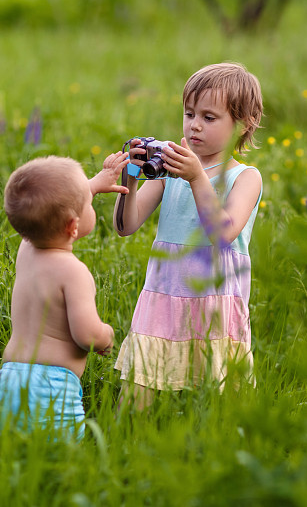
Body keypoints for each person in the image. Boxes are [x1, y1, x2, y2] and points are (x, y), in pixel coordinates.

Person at [113, 62, 264, 410]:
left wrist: (197, 178)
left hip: (216, 303)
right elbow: (126, 226)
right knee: (135, 401)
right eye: (189, 113)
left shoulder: (246, 177)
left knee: (224, 405)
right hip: (164, 296)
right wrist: (132, 178)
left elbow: (224, 234)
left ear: (242, 125)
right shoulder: (171, 171)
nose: (195, 124)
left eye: (209, 118)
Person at [0, 152, 129, 440]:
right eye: (88, 203)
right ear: (72, 227)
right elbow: (87, 335)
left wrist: (94, 184)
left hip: (7, 380)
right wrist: (107, 335)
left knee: (9, 460)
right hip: (50, 386)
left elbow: (52, 208)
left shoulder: (26, 249)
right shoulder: (72, 272)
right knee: (58, 464)